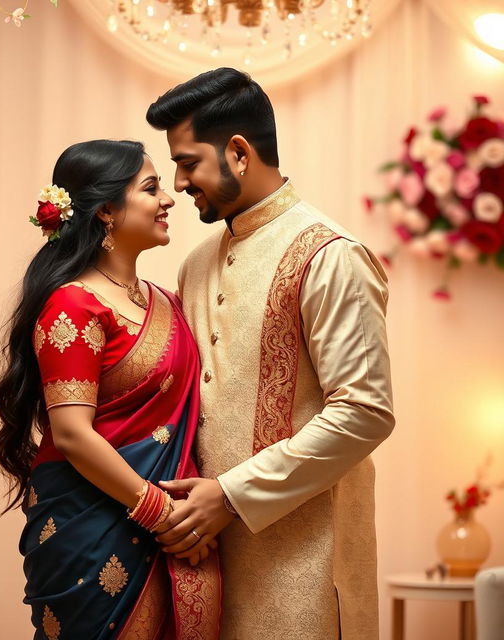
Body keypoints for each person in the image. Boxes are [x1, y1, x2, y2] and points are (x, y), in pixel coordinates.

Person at [146, 68, 395, 640]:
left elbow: (365, 411)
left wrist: (231, 496)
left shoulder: (331, 256)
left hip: (306, 565)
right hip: (205, 562)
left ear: (238, 153)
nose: (179, 184)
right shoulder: (198, 263)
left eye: (188, 162)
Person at [0, 140, 221, 640]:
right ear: (107, 211)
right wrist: (162, 514)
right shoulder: (73, 305)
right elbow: (71, 434)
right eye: (151, 187)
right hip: (93, 534)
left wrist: (189, 518)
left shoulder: (168, 302)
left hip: (175, 528)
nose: (169, 198)